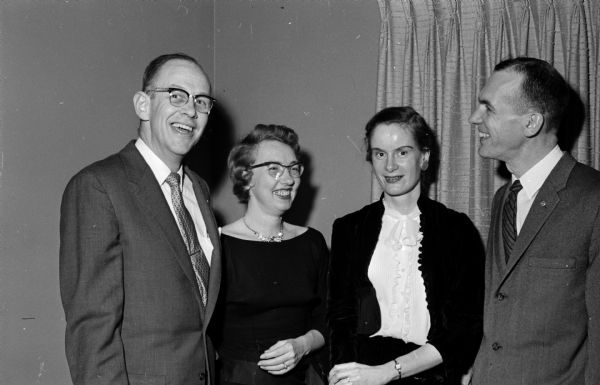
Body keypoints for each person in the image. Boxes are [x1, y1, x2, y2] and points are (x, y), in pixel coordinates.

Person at [59, 53, 221, 385]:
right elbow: (92, 331)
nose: (190, 110)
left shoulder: (199, 189)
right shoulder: (99, 186)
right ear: (143, 105)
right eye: (176, 95)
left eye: (201, 101)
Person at [328, 106, 485, 385]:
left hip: (431, 373)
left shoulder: (456, 228)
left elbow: (465, 327)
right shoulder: (349, 228)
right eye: (379, 154)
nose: (389, 166)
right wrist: (344, 373)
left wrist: (388, 372)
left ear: (424, 157)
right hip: (361, 374)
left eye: (402, 152)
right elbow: (340, 316)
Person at [469, 57, 600, 385]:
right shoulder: (505, 198)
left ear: (531, 123)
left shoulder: (594, 199)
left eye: (488, 108)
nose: (475, 118)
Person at [212, 124, 328, 385]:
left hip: (306, 377)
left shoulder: (312, 242)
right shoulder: (219, 244)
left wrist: (303, 344)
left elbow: (328, 319)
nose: (288, 179)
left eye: (293, 168)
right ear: (246, 176)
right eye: (274, 169)